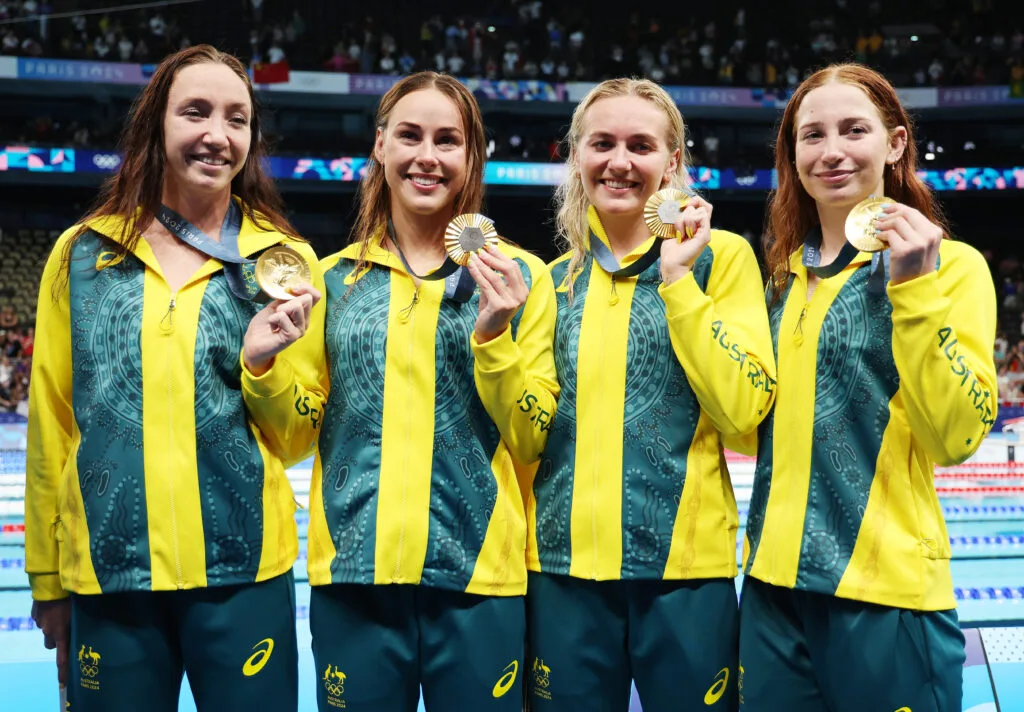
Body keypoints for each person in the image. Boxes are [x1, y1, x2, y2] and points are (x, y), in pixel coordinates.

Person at [242, 70, 559, 711]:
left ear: (472, 158)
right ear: (380, 147)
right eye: (409, 135)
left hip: (481, 583)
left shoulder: (522, 278)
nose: (427, 156)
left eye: (448, 140)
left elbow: (534, 436)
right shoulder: (331, 282)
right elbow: (296, 436)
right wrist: (263, 367)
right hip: (357, 578)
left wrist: (494, 337)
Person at [26, 44, 324, 712]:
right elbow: (51, 423)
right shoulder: (80, 256)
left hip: (242, 575)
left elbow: (300, 436)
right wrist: (47, 579)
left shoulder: (283, 263)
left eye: (236, 119)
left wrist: (262, 365)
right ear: (155, 124)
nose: (217, 135)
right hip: (111, 574)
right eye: (196, 112)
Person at [739, 63, 998, 712]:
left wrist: (914, 292)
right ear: (792, 154)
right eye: (811, 135)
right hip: (773, 596)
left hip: (886, 597)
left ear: (896, 144)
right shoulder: (781, 284)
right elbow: (749, 427)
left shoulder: (953, 270)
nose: (831, 152)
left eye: (854, 130)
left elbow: (957, 437)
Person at [526, 77, 776, 712]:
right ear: (576, 157)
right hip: (563, 567)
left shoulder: (723, 260)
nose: (619, 162)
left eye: (641, 145)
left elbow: (746, 412)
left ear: (673, 162)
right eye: (601, 143)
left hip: (687, 574)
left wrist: (680, 284)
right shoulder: (553, 282)